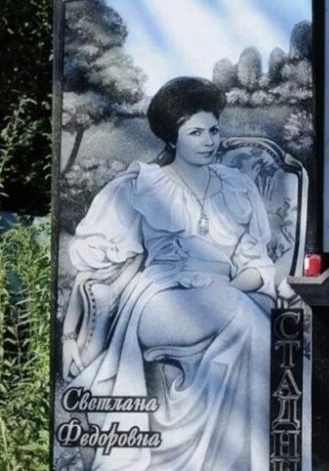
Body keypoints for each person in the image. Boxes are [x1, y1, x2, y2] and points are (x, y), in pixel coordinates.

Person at [61, 76, 279, 470]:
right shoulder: (141, 186)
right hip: (159, 302)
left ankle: (213, 460)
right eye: (195, 133)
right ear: (172, 138)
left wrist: (227, 287)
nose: (209, 141)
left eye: (213, 130)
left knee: (244, 317)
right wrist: (69, 336)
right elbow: (91, 268)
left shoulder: (238, 187)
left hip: (223, 298)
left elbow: (257, 265)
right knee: (246, 316)